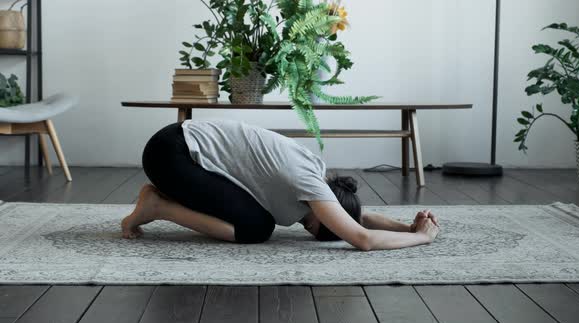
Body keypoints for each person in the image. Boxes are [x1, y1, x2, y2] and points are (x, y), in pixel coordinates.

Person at [121, 120, 440, 251]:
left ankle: (159, 201)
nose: (307, 228)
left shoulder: (316, 178)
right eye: (316, 229)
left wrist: (406, 228)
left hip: (175, 144)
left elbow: (357, 217)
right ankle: (157, 206)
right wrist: (423, 239)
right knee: (255, 228)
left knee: (260, 220)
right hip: (171, 156)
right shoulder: (308, 183)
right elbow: (362, 237)